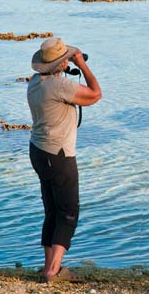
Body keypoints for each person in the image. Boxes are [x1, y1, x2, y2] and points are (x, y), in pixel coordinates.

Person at [27, 37, 101, 283]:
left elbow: (60, 86)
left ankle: (49, 265)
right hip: (58, 155)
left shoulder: (36, 82)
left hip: (38, 151)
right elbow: (95, 94)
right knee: (68, 212)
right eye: (66, 59)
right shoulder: (59, 86)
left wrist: (65, 68)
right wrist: (82, 64)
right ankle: (53, 272)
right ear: (60, 64)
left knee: (52, 211)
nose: (69, 60)